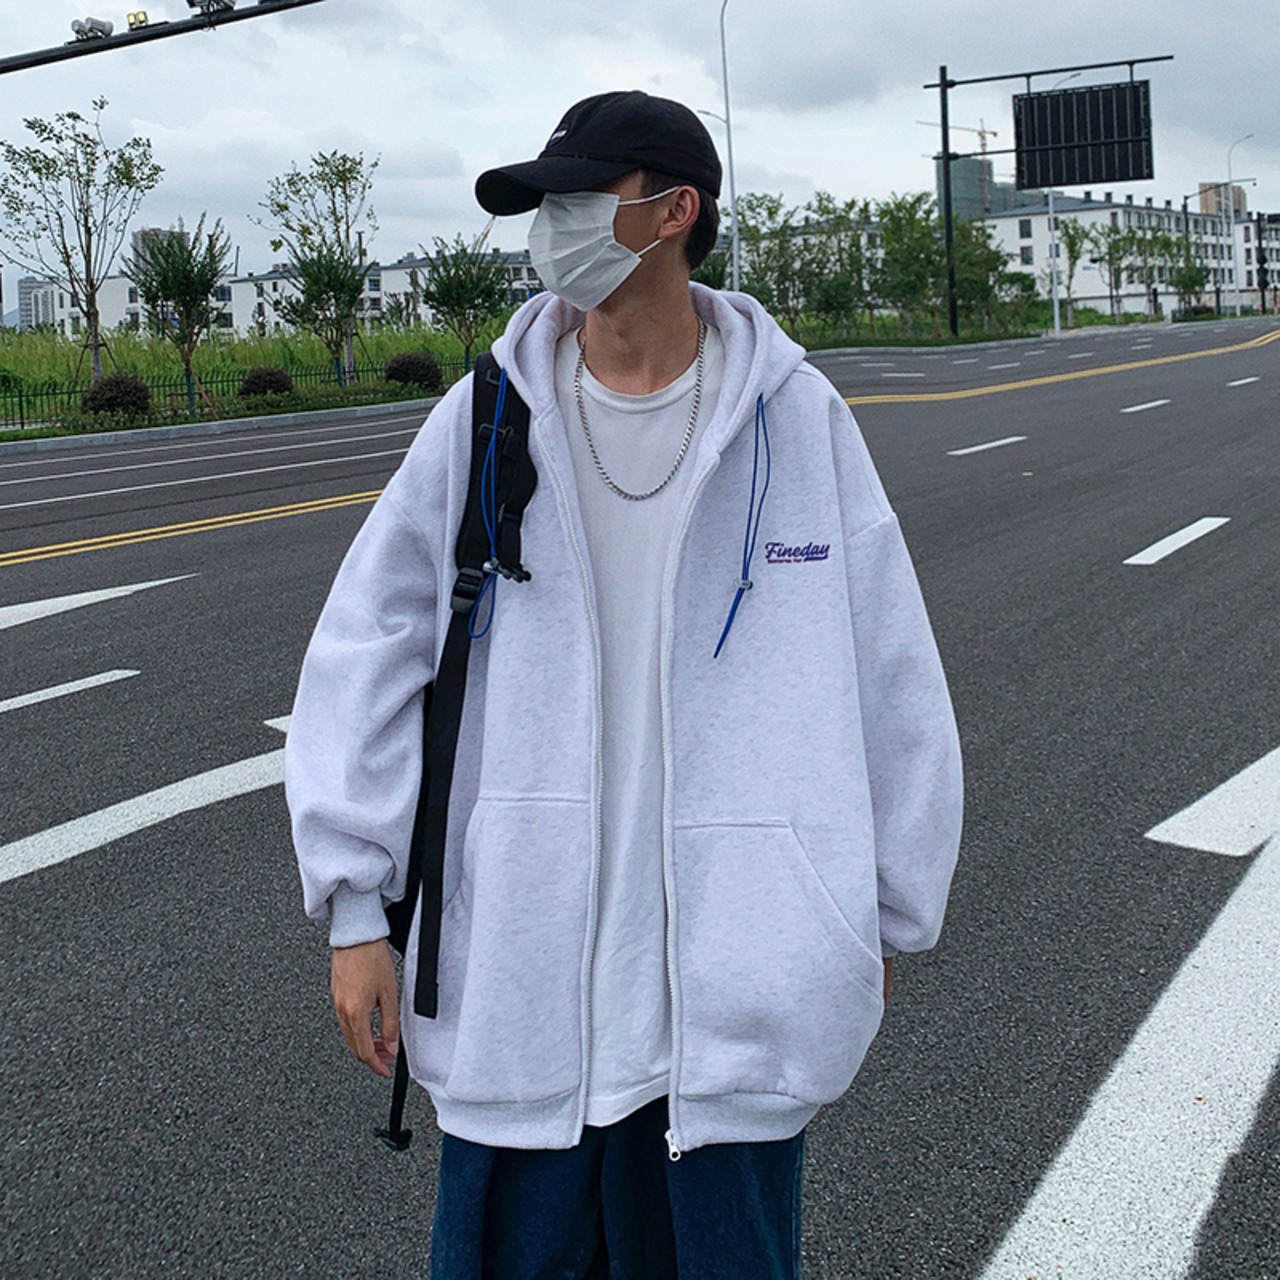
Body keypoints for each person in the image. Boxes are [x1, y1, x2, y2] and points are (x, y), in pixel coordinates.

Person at [286, 89, 963, 1279]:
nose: (550, 225)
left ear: (672, 212)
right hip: (517, 986)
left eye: (578, 197)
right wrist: (355, 912)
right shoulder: (486, 418)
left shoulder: (794, 420)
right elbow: (365, 652)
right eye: (542, 202)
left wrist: (874, 910)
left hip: (731, 1005)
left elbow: (889, 670)